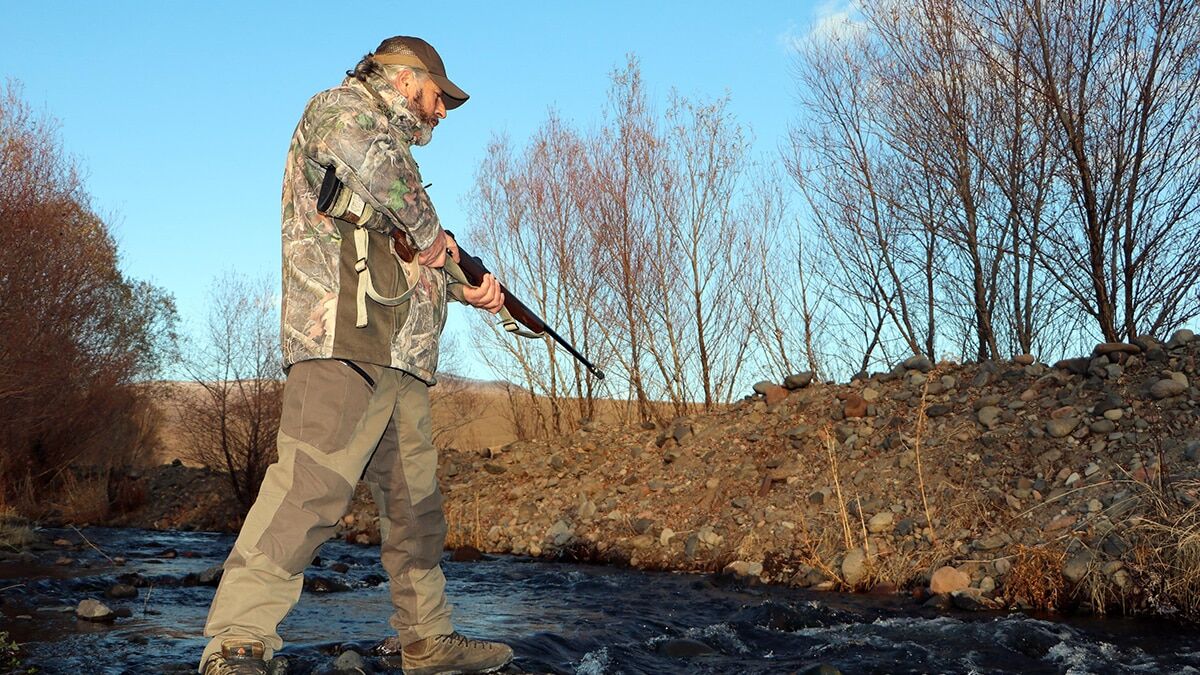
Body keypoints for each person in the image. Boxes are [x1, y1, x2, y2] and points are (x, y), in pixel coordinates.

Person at [198, 36, 512, 675]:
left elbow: (408, 242)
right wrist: (438, 240)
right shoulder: (339, 112)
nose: (443, 113)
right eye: (438, 97)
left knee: (417, 512)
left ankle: (428, 641)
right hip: (342, 343)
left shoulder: (397, 165)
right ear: (404, 79)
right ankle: (236, 644)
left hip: (405, 361)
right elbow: (404, 208)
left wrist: (469, 284)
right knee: (307, 493)